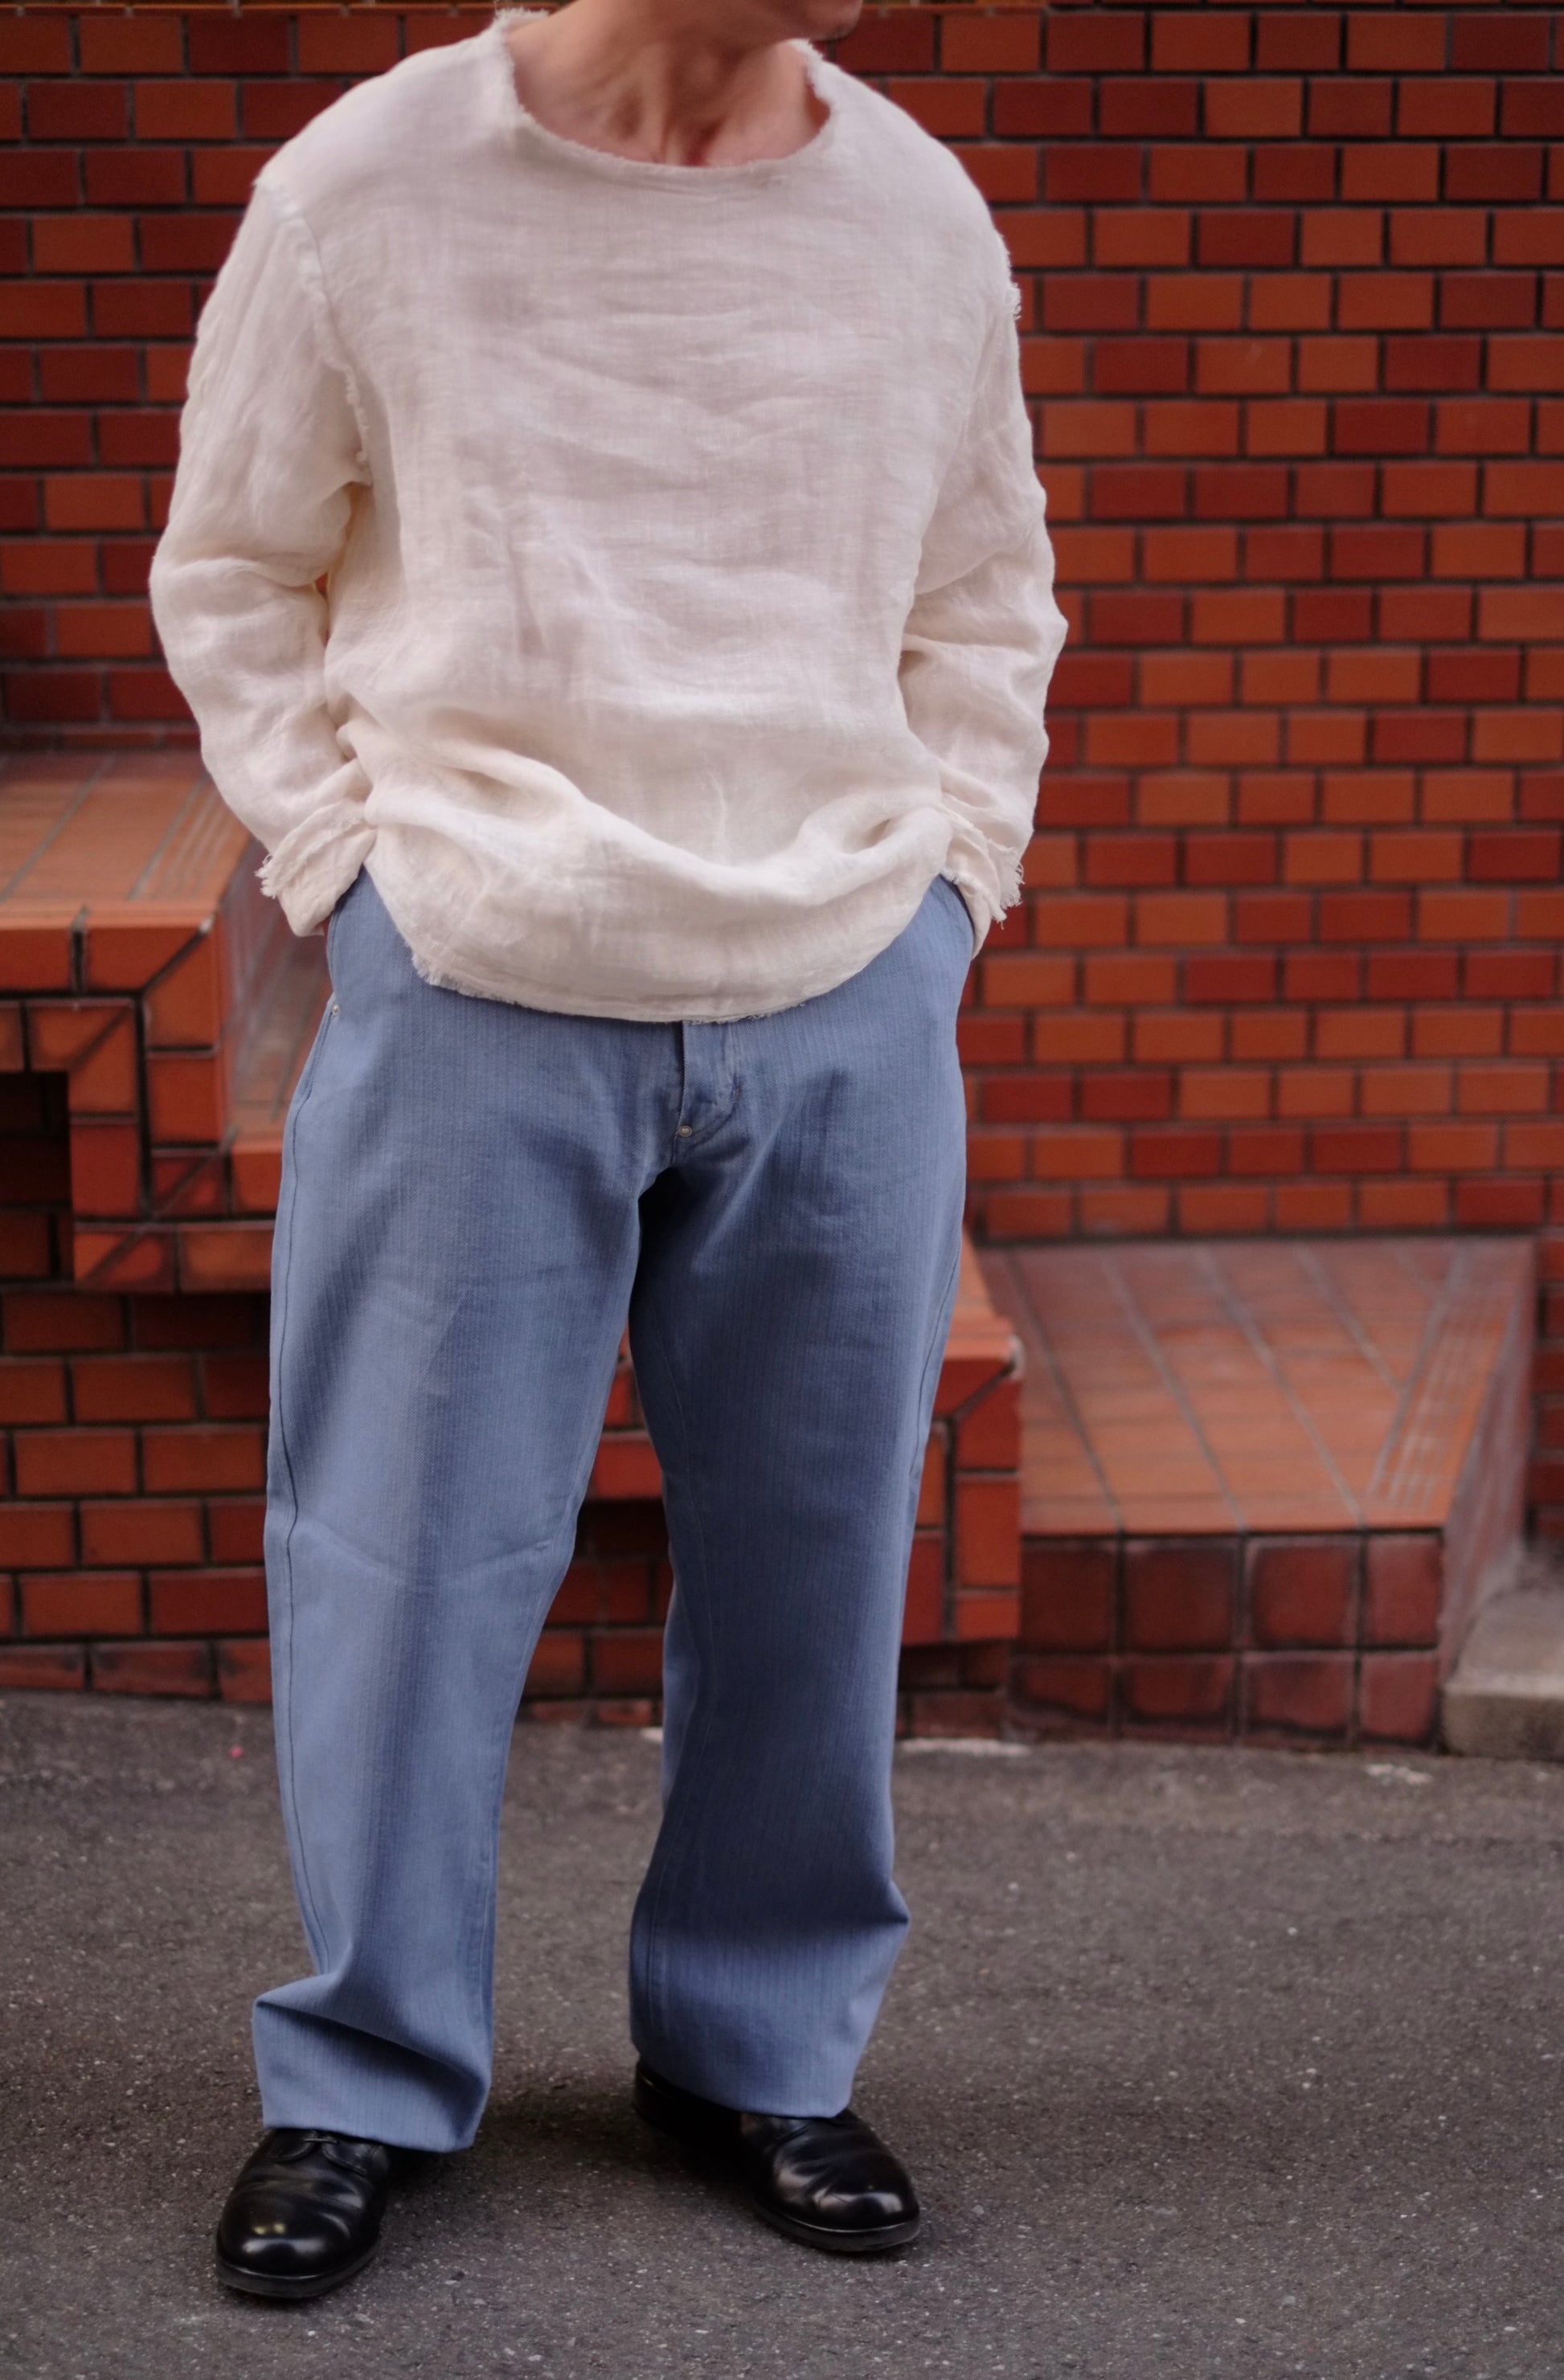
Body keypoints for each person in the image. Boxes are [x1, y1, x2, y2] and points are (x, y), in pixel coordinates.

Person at [148, 0, 1067, 2300]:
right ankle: (362, 2077)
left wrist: (950, 891)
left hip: (844, 970)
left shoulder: (917, 214)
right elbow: (234, 568)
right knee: (403, 1556)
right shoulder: (365, 189)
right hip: (474, 965)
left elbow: (983, 590)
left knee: (814, 1558)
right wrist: (348, 872)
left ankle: (756, 2047)